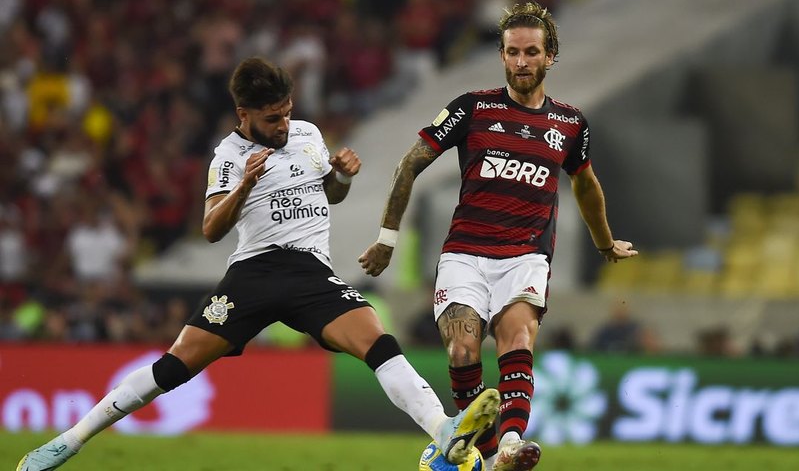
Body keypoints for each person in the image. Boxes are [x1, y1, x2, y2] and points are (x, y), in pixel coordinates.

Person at [17, 57, 500, 471]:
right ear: (243, 114)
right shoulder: (228, 157)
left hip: (311, 271)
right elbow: (210, 229)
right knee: (173, 367)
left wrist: (342, 177)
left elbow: (327, 195)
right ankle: (69, 440)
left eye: (287, 113)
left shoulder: (307, 133)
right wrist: (245, 186)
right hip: (255, 272)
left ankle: (444, 432)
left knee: (378, 340)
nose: (283, 126)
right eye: (272, 119)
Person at [359, 2, 638, 471]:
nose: (522, 62)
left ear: (550, 57)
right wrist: (387, 238)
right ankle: (489, 458)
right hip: (465, 253)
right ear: (502, 55)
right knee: (462, 349)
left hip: (526, 255)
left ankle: (509, 445)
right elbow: (410, 163)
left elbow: (586, 186)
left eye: (532, 52)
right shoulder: (472, 108)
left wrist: (605, 242)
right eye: (513, 52)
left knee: (517, 340)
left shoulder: (570, 124)